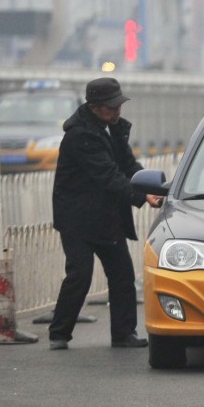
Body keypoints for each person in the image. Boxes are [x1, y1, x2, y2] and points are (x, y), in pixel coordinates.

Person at [48, 77, 161, 350]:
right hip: (77, 218)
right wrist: (140, 195)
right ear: (94, 107)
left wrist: (150, 184)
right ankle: (59, 333)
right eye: (111, 107)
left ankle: (123, 334)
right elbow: (108, 175)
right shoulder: (80, 136)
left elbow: (128, 165)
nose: (117, 111)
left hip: (106, 216)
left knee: (122, 276)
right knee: (80, 276)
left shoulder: (112, 128)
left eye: (118, 105)